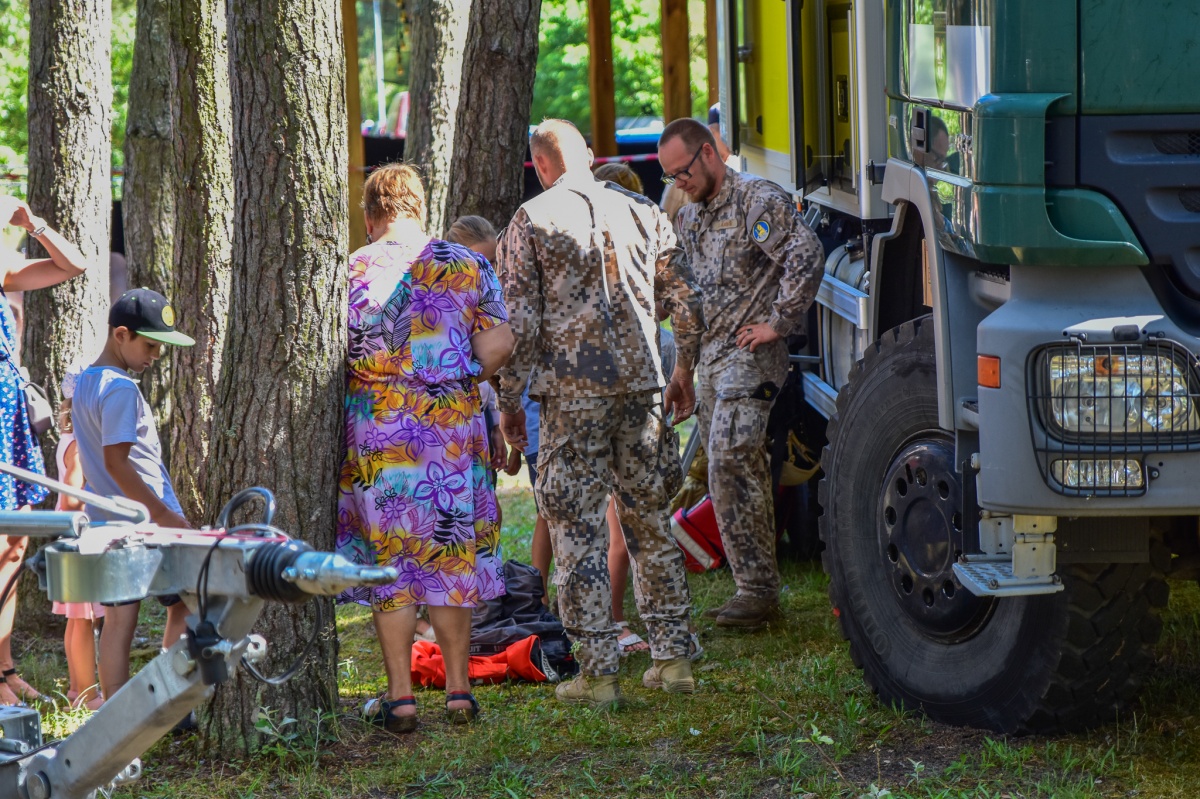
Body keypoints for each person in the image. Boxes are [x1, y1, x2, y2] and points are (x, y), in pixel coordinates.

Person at [496, 119, 704, 708]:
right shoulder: (643, 209)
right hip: (642, 388)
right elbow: (686, 300)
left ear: (541, 166)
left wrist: (510, 403)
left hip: (571, 397)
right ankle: (673, 659)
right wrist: (683, 370)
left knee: (577, 530)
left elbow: (520, 325)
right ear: (587, 155)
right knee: (650, 521)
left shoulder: (532, 219)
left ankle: (599, 675)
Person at [336, 164, 514, 733]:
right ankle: (459, 692)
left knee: (390, 560)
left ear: (371, 216)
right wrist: (454, 380)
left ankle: (401, 698)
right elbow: (500, 343)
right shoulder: (467, 264)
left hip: (380, 432)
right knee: (450, 552)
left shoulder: (349, 270)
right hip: (450, 429)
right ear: (419, 209)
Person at [657, 118, 823, 629]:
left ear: (708, 153)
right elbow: (689, 302)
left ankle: (756, 593)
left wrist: (778, 323)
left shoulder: (756, 199)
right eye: (670, 176)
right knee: (728, 470)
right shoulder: (689, 217)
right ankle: (755, 589)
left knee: (730, 458)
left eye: (683, 171)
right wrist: (683, 371)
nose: (678, 183)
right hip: (711, 363)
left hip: (750, 360)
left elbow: (805, 254)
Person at [71, 288, 195, 701]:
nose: (155, 356)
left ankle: (116, 715)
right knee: (190, 598)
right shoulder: (121, 388)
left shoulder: (87, 381)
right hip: (144, 524)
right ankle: (172, 696)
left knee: (119, 621)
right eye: (150, 346)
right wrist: (162, 514)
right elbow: (117, 463)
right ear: (121, 335)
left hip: (106, 524)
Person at [0, 196, 90, 706]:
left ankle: (5, 669)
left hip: (8, 416)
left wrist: (33, 223)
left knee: (14, 543)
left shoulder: (3, 265)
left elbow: (73, 265)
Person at [447, 215, 554, 606]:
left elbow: (500, 377)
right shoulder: (442, 301)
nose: (487, 270)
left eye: (493, 262)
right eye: (480, 261)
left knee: (490, 509)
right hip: (451, 422)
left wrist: (501, 432)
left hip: (494, 418)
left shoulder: (500, 296)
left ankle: (498, 597)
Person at [52, 362, 105, 711]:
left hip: (70, 539)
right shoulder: (82, 446)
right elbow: (72, 496)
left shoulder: (67, 440)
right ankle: (87, 694)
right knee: (85, 619)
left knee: (77, 620)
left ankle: (76, 689)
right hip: (82, 539)